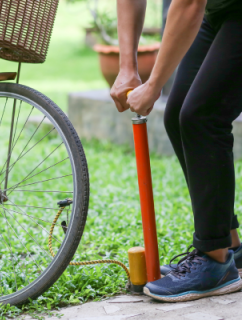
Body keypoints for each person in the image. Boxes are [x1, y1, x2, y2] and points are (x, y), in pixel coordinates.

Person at [111, 0, 242, 302]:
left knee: (202, 116)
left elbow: (188, 3)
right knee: (178, 115)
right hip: (220, 10)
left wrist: (154, 84)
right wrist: (128, 69)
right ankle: (228, 242)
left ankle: (216, 260)